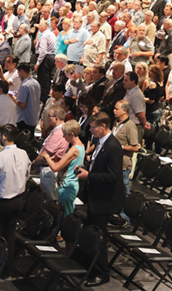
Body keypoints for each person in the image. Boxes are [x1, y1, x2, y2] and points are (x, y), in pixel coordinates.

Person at [75, 112, 124, 287]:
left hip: (105, 200)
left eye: (93, 127)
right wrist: (84, 168)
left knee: (99, 235)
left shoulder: (113, 146)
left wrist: (90, 176)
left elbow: (113, 177)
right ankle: (90, 263)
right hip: (95, 196)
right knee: (93, 232)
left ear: (103, 126)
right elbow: (97, 164)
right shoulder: (100, 142)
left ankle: (102, 272)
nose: (90, 129)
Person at [0, 124, 31, 279]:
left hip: (2, 202)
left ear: (3, 137)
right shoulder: (24, 154)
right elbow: (27, 175)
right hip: (18, 201)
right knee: (10, 236)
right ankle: (7, 270)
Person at [41, 120, 84, 216]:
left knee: (65, 217)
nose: (63, 137)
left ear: (71, 134)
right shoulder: (80, 146)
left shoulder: (74, 150)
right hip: (70, 185)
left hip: (67, 187)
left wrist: (47, 157)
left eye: (65, 135)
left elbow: (55, 168)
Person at [32, 106, 68, 201]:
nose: (47, 118)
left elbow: (45, 154)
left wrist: (34, 164)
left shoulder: (59, 133)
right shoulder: (59, 130)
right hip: (47, 168)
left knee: (50, 200)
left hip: (49, 170)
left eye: (49, 116)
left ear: (56, 118)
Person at [12, 63, 41, 134]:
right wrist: (18, 93)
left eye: (18, 73)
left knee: (23, 142)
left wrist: (12, 97)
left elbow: (21, 104)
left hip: (24, 119)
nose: (18, 75)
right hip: (33, 117)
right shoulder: (36, 83)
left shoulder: (24, 86)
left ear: (22, 71)